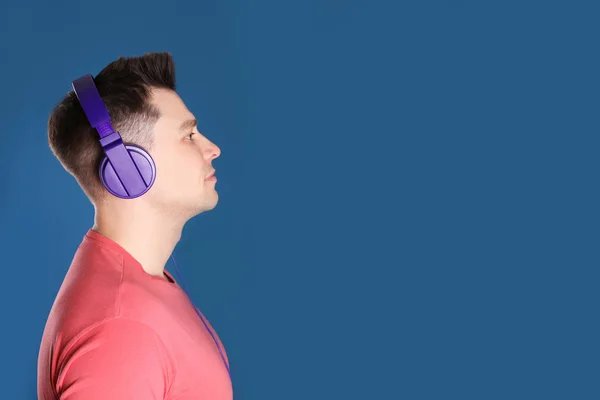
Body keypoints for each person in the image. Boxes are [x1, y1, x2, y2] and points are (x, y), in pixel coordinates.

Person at [37, 52, 232, 399]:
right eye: (189, 136)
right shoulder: (120, 329)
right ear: (129, 169)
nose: (212, 148)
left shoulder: (140, 282)